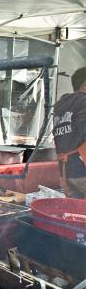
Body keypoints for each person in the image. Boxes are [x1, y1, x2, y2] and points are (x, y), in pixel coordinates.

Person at [53, 67, 86, 199]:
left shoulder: (61, 105)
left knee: (76, 211)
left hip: (66, 171)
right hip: (82, 169)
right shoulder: (84, 101)